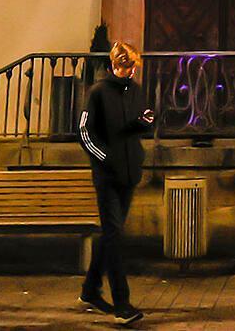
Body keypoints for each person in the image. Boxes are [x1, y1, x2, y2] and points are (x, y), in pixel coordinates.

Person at [77, 41, 152, 326]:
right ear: (114, 65)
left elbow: (141, 117)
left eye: (133, 66)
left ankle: (89, 290)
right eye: (126, 67)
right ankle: (122, 304)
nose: (131, 72)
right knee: (115, 236)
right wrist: (104, 158)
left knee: (111, 234)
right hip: (108, 175)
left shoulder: (134, 89)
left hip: (130, 171)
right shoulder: (97, 92)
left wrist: (145, 121)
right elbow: (84, 131)